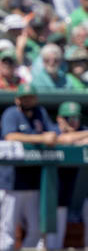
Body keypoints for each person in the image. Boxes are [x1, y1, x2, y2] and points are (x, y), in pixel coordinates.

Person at [0, 84, 59, 251]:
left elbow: (53, 134)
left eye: (30, 97)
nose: (27, 100)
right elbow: (10, 136)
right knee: (8, 229)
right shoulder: (11, 113)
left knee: (36, 229)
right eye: (24, 97)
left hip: (32, 182)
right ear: (17, 99)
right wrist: (41, 139)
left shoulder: (40, 113)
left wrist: (51, 136)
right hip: (11, 181)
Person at [45, 102, 88, 250]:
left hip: (69, 189)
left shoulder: (82, 129)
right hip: (49, 189)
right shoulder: (52, 129)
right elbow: (63, 139)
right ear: (60, 119)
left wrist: (78, 136)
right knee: (48, 239)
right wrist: (76, 137)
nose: (73, 122)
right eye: (69, 118)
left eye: (76, 118)